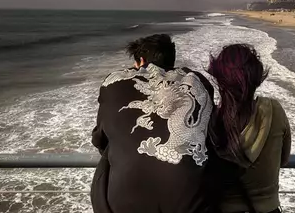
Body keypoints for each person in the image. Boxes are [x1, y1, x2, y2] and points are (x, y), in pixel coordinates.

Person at [90, 34, 219, 213]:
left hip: (125, 203)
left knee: (107, 157)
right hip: (191, 202)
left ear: (140, 61)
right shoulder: (197, 81)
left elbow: (99, 139)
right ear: (171, 61)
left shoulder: (113, 81)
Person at [206, 44, 291, 213]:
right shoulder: (273, 110)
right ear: (257, 77)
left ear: (218, 79)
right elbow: (284, 159)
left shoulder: (208, 120)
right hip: (267, 209)